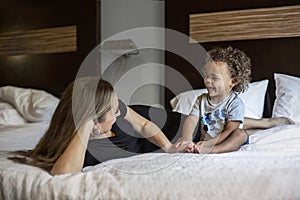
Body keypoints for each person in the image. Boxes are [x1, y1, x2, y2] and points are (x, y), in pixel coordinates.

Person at [10, 77, 186, 175]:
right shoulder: (81, 148)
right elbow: (62, 172)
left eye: (118, 108)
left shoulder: (113, 111)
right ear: (94, 121)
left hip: (169, 127)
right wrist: (86, 122)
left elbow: (144, 124)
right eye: (114, 111)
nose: (119, 114)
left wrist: (168, 148)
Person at [175, 46, 293, 154]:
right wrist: (187, 138)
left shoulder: (235, 104)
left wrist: (209, 144)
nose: (208, 80)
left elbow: (229, 131)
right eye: (206, 75)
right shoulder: (201, 100)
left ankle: (215, 150)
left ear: (233, 81)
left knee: (239, 134)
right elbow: (191, 119)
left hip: (224, 138)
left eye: (215, 77)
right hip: (208, 137)